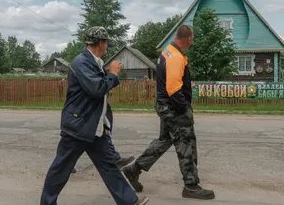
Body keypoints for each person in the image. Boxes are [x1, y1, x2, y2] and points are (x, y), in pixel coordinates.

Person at [40, 26, 149, 205]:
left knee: (109, 166)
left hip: (92, 126)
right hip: (78, 126)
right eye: (106, 44)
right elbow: (96, 89)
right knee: (60, 169)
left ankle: (129, 201)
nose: (107, 48)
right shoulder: (81, 62)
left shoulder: (94, 62)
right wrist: (113, 74)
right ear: (101, 43)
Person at [122, 25, 215, 200]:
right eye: (192, 39)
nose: (192, 41)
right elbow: (173, 89)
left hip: (165, 106)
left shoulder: (168, 52)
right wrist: (184, 109)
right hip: (174, 108)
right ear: (188, 38)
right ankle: (191, 186)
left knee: (164, 141)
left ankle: (134, 169)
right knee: (186, 144)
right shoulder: (176, 58)